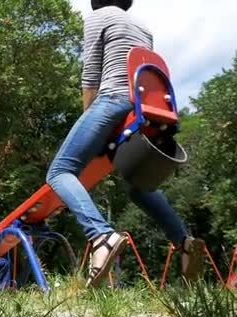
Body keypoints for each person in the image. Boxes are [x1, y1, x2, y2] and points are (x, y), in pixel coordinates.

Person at [45, 0, 205, 287]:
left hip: (113, 100)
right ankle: (185, 243)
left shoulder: (99, 17)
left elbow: (91, 76)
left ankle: (101, 236)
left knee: (59, 172)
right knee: (138, 187)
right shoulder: (143, 27)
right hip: (147, 109)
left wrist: (90, 126)